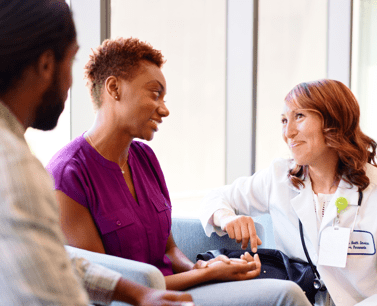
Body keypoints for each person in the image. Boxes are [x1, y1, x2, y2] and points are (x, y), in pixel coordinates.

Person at [46, 36, 311, 306]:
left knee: (284, 289)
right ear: (114, 88)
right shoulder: (68, 175)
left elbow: (169, 249)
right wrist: (205, 275)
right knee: (284, 296)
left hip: (176, 292)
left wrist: (201, 269)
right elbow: (107, 287)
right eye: (154, 93)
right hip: (133, 301)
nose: (164, 109)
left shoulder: (145, 158)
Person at [0, 1, 194, 305]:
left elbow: (59, 258)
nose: (72, 83)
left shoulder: (14, 152)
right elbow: (55, 295)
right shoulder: (16, 167)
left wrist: (141, 294)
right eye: (72, 62)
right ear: (46, 64)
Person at [199, 79, 377, 306]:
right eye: (284, 120)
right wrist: (227, 218)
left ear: (334, 123)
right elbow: (214, 197)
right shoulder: (279, 179)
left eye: (299, 116)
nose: (289, 132)